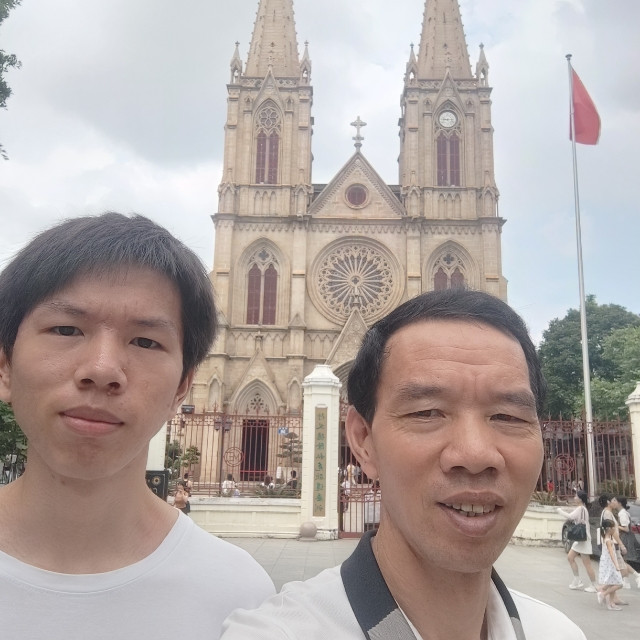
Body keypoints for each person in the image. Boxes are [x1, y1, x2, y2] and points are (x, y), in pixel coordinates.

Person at [221, 288, 586, 639]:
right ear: (363, 441)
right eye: (427, 412)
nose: (475, 455)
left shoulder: (560, 633)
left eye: (508, 416)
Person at [0, 213, 275, 638]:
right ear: (4, 365)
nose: (102, 369)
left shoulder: (243, 600)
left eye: (146, 341)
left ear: (183, 386)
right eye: (66, 329)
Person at [557, 491, 597, 591]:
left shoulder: (581, 508)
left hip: (583, 540)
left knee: (587, 563)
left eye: (576, 496)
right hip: (581, 540)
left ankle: (594, 585)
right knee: (570, 557)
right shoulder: (582, 508)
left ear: (580, 499)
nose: (574, 498)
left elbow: (570, 517)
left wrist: (560, 511)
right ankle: (577, 580)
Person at [613, 496, 640, 589]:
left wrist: (615, 526)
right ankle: (626, 581)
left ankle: (637, 575)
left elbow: (626, 528)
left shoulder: (622, 514)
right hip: (626, 537)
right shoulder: (623, 512)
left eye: (615, 500)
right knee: (622, 560)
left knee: (620, 560)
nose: (613, 502)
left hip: (625, 538)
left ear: (619, 503)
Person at [597, 520, 624, 610]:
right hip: (610, 565)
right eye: (613, 528)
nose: (615, 529)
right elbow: (611, 554)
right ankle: (603, 594)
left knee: (612, 583)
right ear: (609, 529)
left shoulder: (607, 539)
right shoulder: (608, 540)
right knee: (619, 584)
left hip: (609, 564)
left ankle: (611, 603)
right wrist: (616, 565)